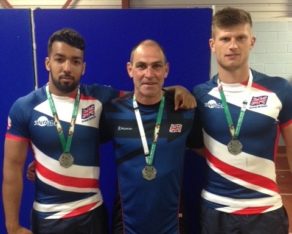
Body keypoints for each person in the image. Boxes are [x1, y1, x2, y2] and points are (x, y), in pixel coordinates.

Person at [2, 29, 195, 234]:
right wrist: (12, 225)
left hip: (92, 213)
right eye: (60, 59)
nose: (67, 67)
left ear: (83, 67)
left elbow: (143, 93)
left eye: (75, 61)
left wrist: (176, 89)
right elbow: (12, 169)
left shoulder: (100, 98)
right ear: (48, 63)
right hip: (48, 216)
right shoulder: (24, 107)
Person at [191, 7, 292, 234]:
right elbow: (199, 147)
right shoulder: (199, 95)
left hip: (266, 210)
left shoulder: (279, 90)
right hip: (216, 209)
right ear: (212, 44)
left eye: (240, 38)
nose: (233, 45)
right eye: (225, 38)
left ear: (252, 41)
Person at [100, 39, 195, 234]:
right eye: (141, 66)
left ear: (166, 70)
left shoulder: (185, 109)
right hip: (127, 223)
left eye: (156, 66)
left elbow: (210, 152)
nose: (149, 74)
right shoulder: (112, 110)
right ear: (130, 69)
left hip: (173, 223)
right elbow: (82, 143)